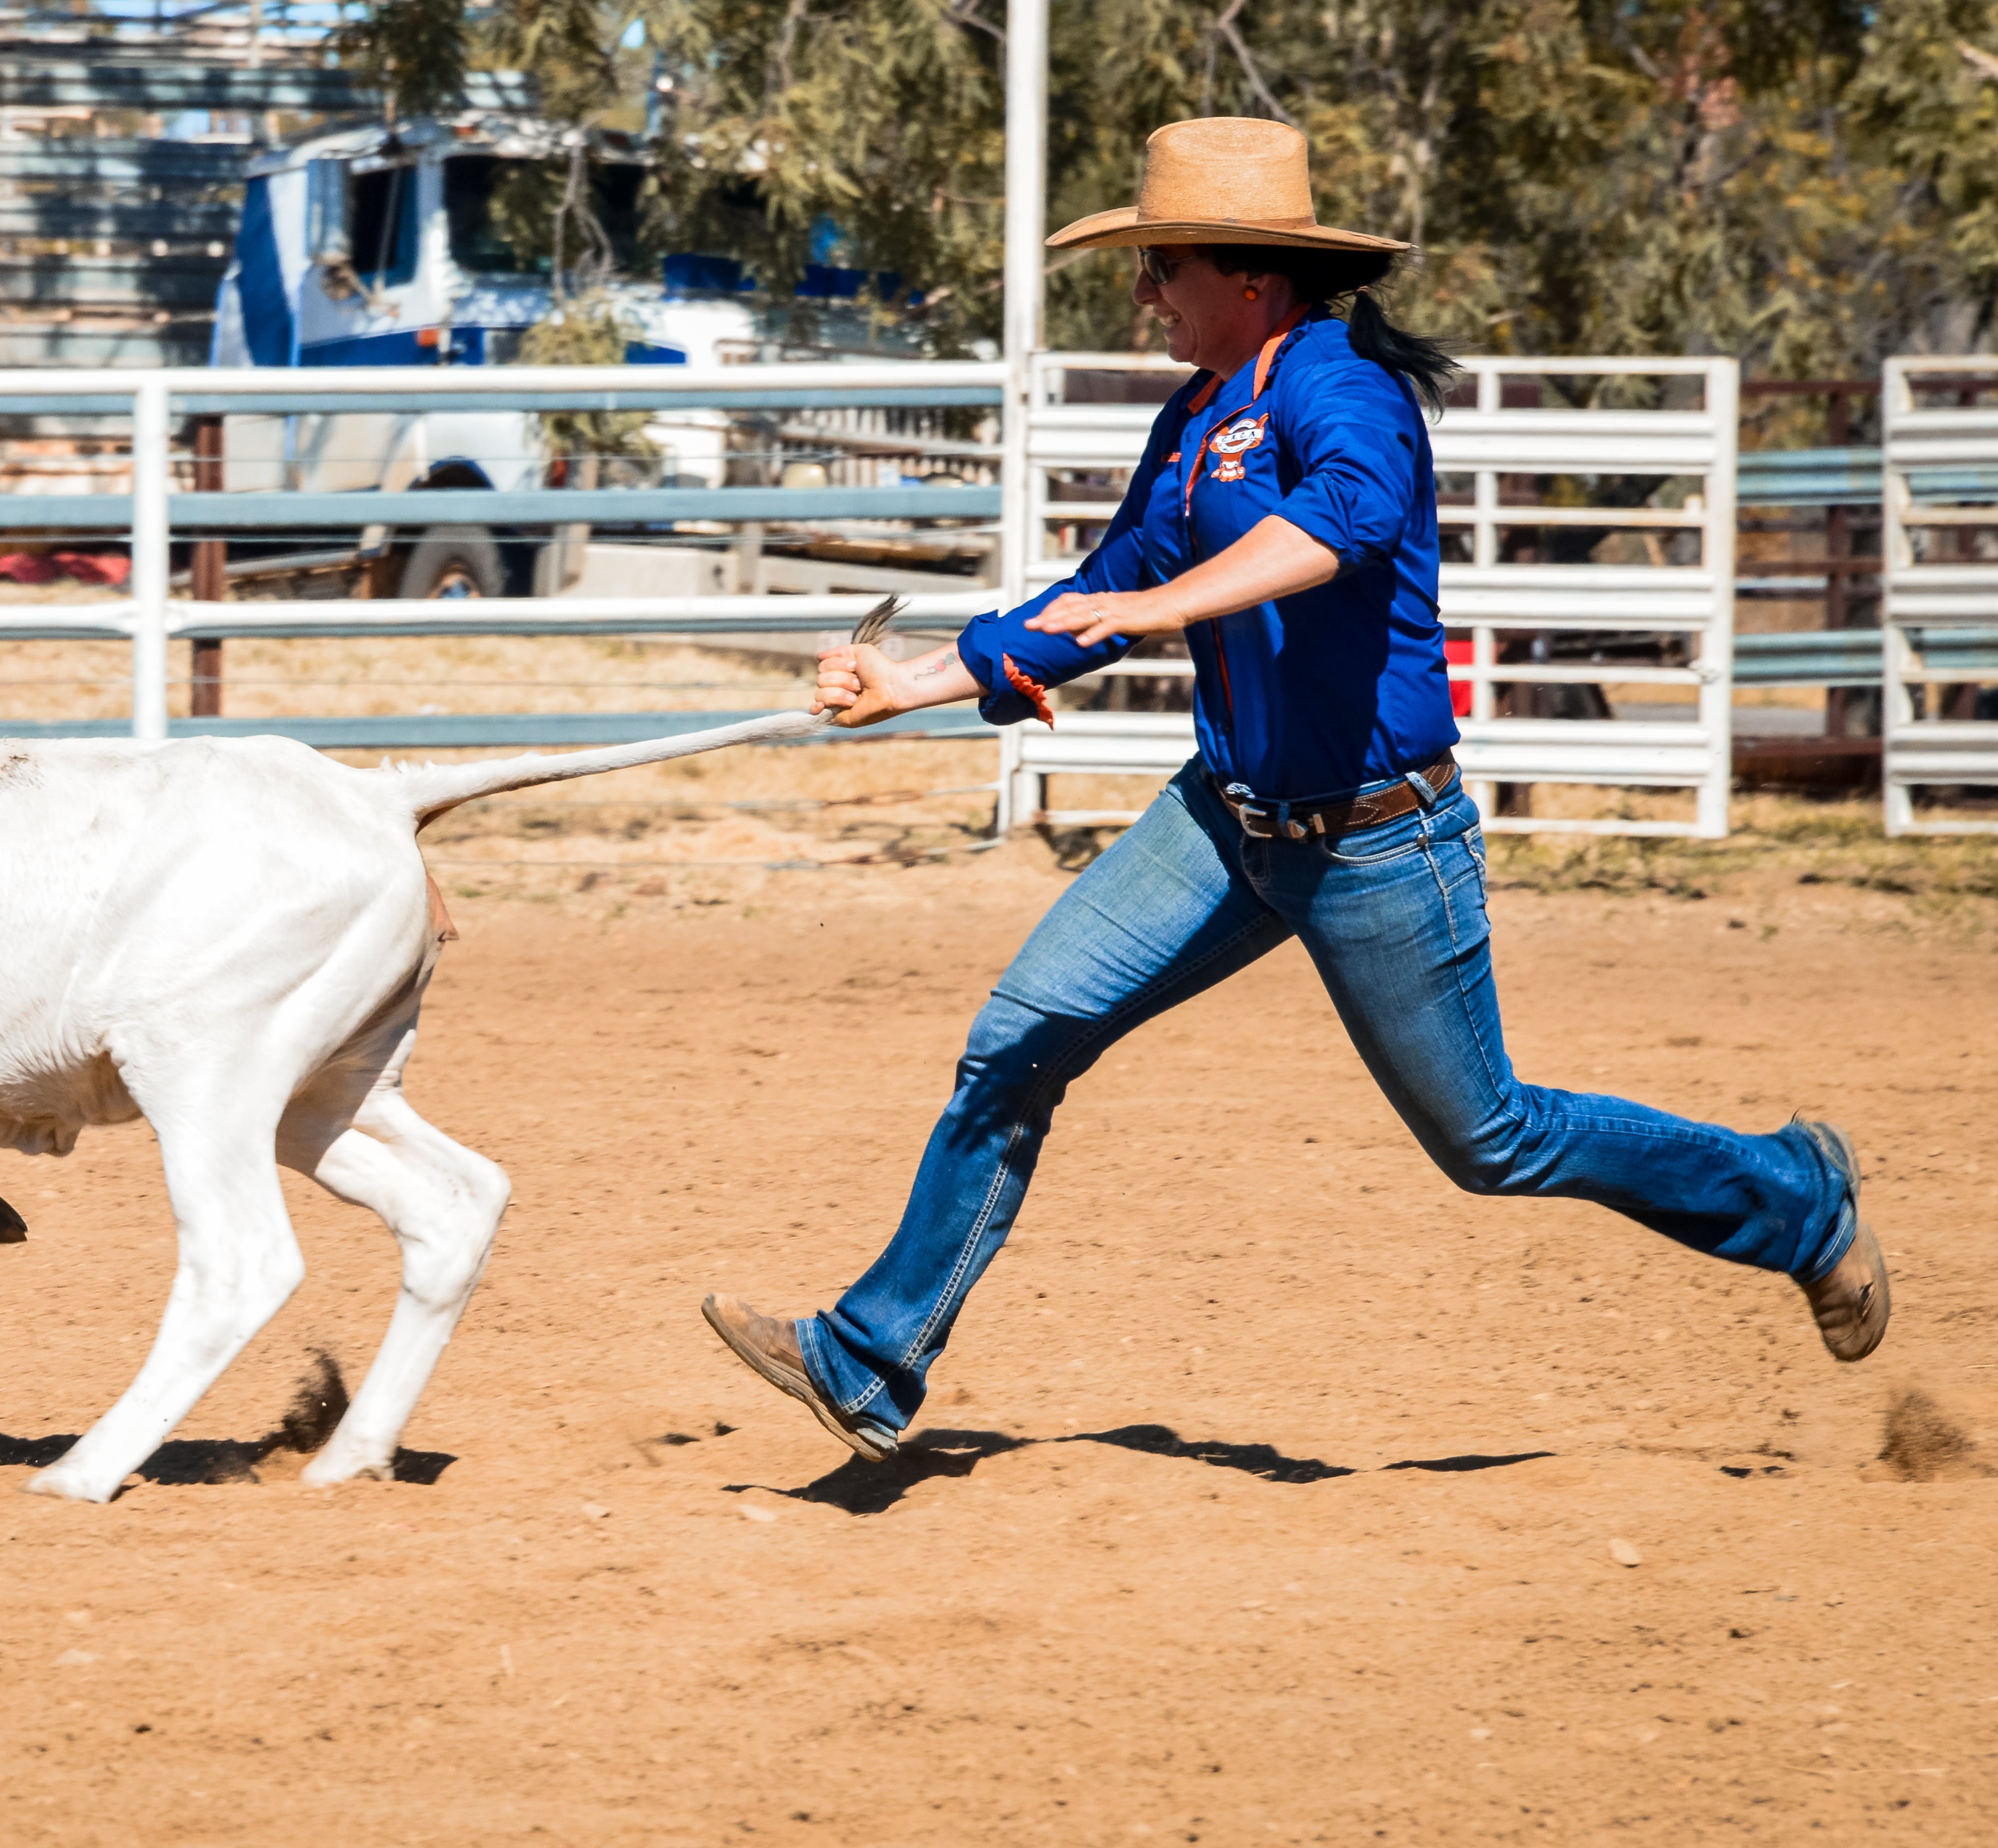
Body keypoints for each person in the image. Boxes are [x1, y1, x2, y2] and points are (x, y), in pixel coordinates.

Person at [701, 116, 1889, 1462]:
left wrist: (1159, 607)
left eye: (1163, 269)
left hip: (1378, 840)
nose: (1145, 295)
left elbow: (1337, 526)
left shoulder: (1346, 389)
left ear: (1249, 280)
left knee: (1486, 1138)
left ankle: (1796, 1201)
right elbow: (1099, 590)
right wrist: (912, 679)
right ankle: (869, 1358)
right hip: (1225, 820)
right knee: (1014, 1046)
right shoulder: (1197, 413)